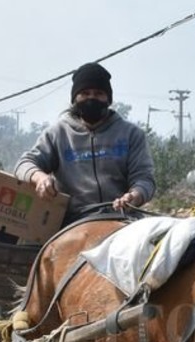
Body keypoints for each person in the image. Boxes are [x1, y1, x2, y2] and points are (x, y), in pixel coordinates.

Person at [15, 62, 156, 226]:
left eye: (98, 93)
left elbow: (145, 179)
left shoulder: (131, 134)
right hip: (73, 222)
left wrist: (135, 196)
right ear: (75, 98)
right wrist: (40, 178)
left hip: (123, 218)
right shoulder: (57, 134)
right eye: (85, 93)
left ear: (108, 99)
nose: (91, 98)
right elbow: (23, 164)